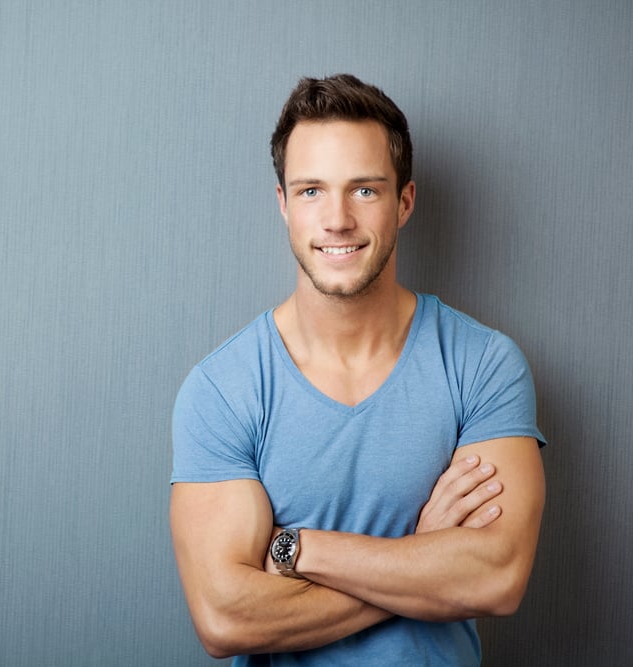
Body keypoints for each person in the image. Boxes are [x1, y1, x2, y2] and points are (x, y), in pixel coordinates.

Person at [169, 74, 545, 665]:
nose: (337, 219)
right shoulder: (222, 389)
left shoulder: (483, 365)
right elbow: (225, 618)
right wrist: (420, 556)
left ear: (405, 201)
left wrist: (297, 548)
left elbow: (495, 577)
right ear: (284, 205)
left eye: (364, 191)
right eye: (312, 190)